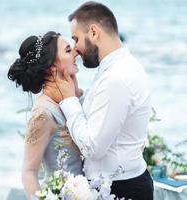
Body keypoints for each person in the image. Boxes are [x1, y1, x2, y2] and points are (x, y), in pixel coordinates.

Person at [44, 1, 154, 200]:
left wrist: (69, 100)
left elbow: (92, 147)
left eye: (76, 39)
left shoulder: (116, 77)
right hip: (121, 183)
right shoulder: (117, 68)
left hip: (121, 188)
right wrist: (79, 96)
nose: (75, 49)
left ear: (94, 32)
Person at [7, 31, 84, 199]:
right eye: (68, 50)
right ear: (52, 67)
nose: (76, 52)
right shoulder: (43, 113)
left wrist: (76, 92)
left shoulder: (74, 99)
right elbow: (28, 172)